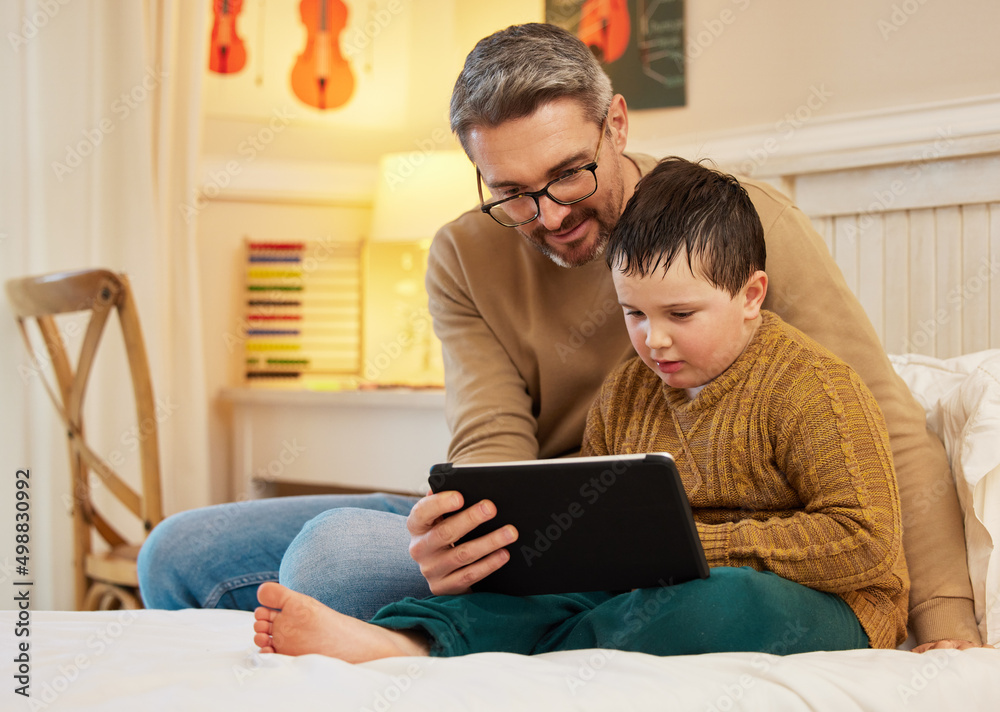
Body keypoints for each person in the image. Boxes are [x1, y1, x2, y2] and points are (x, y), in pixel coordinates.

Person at [138, 22, 980, 652]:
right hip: (541, 522)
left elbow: (886, 421)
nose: (549, 216)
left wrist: (946, 627)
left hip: (689, 545)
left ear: (616, 124)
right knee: (175, 554)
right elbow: (493, 448)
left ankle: (405, 644)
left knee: (326, 564)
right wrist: (467, 533)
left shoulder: (735, 225)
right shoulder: (464, 253)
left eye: (569, 174)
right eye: (511, 191)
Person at [250, 157, 909, 659]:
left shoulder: (813, 389)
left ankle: (539, 652)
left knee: (714, 602)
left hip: (822, 602)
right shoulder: (625, 392)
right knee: (542, 593)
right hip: (650, 583)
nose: (654, 338)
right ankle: (403, 644)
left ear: (751, 294)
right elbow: (598, 529)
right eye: (634, 313)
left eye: (681, 314)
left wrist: (693, 548)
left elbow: (867, 543)